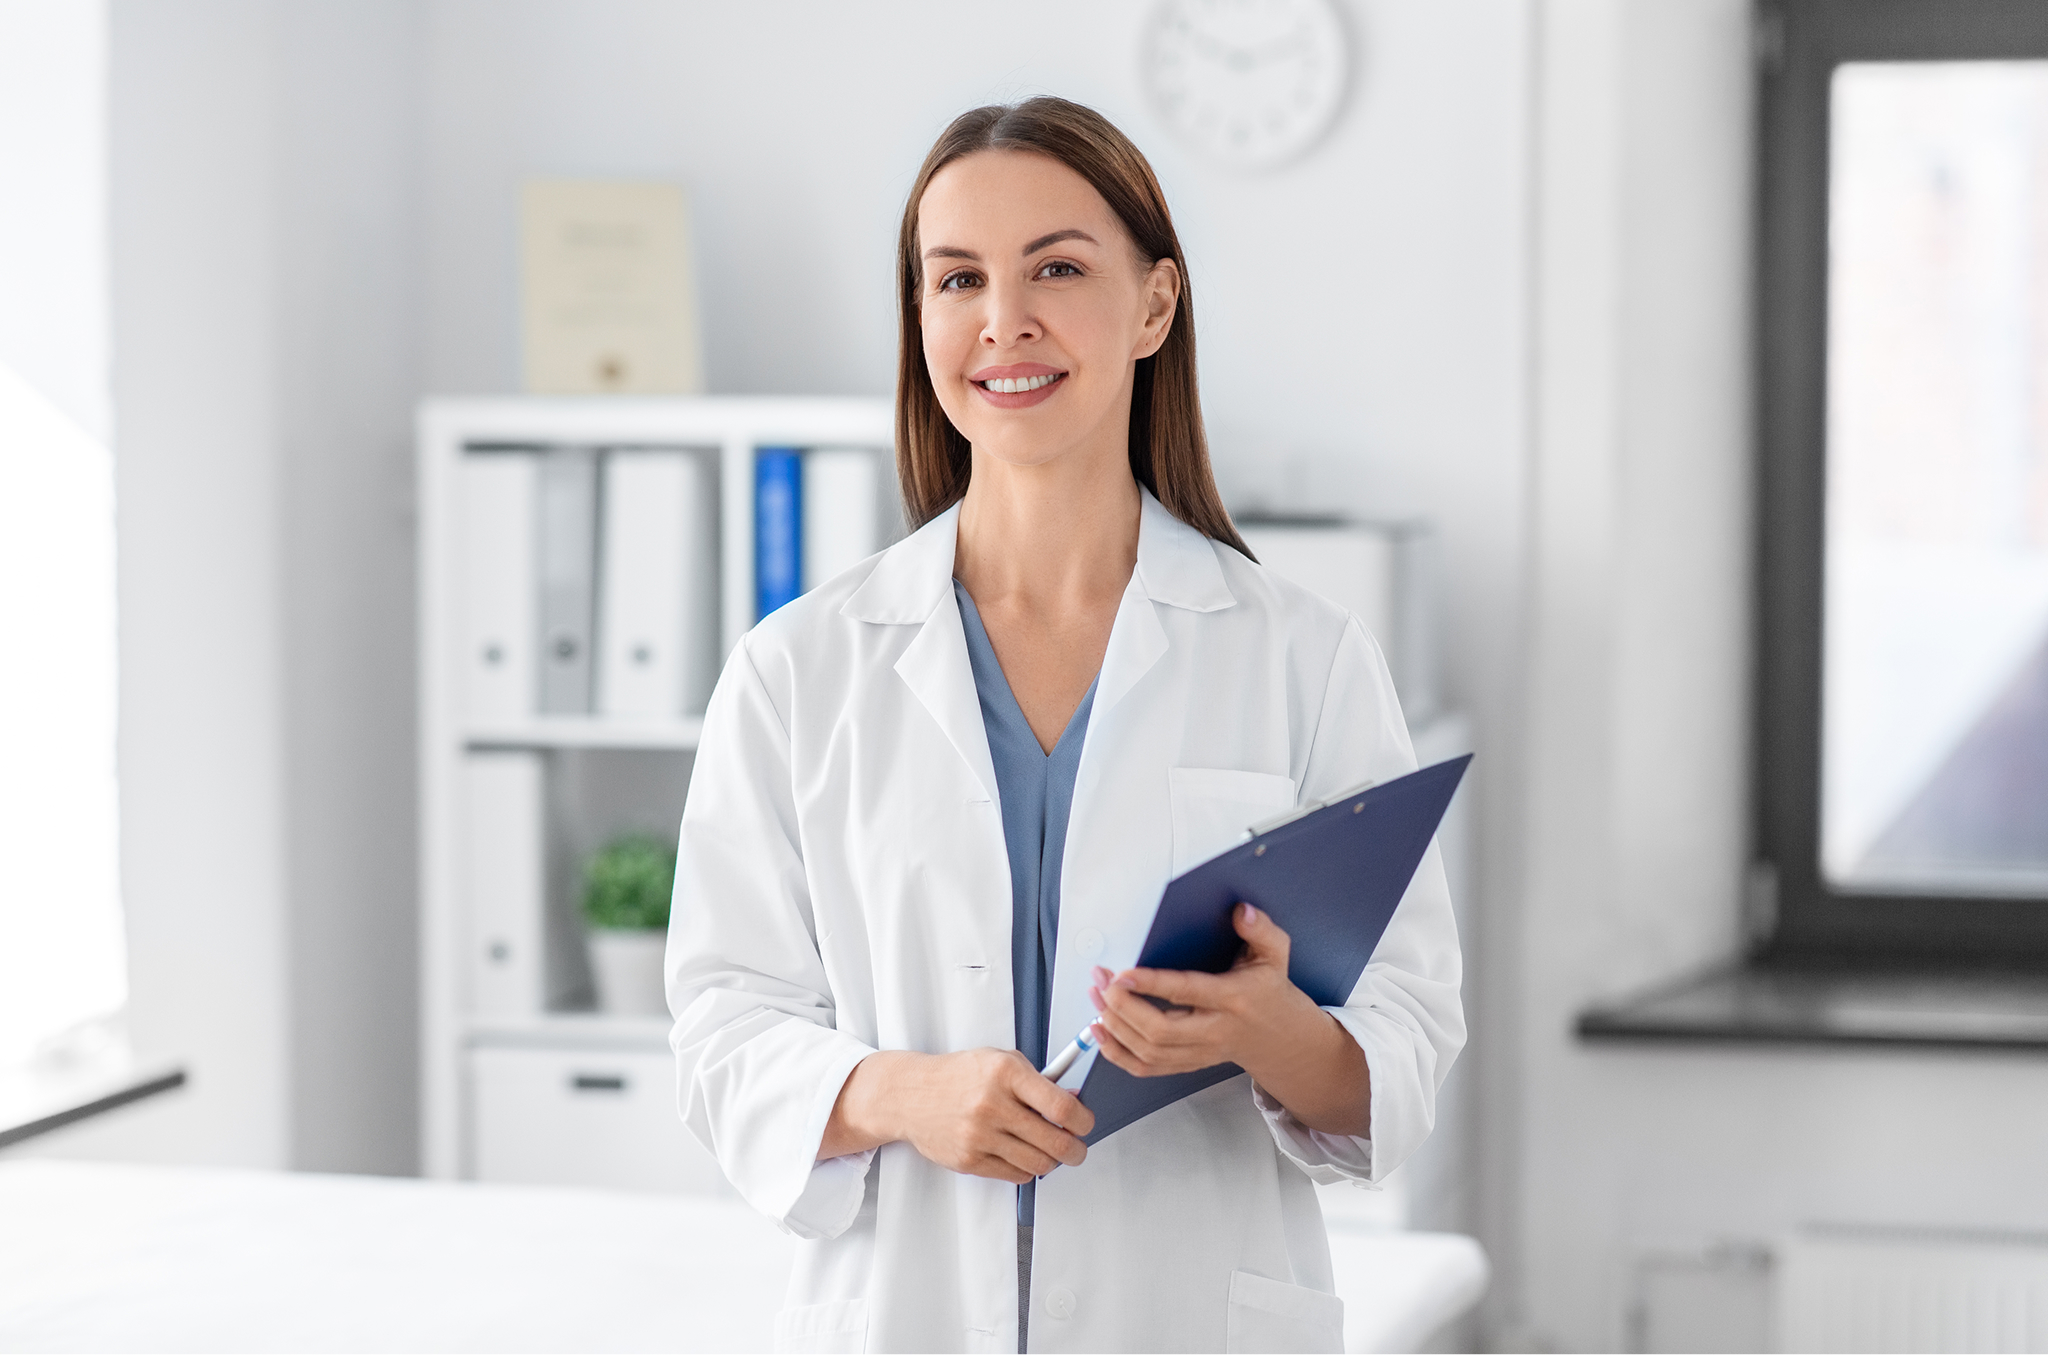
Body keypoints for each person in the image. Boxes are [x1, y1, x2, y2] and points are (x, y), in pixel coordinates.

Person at [667, 97, 1464, 1354]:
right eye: (957, 279)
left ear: (1153, 305)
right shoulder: (798, 670)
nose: (1003, 321)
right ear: (919, 317)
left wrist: (1272, 1031)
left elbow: (1404, 1049)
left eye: (1056, 267)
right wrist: (899, 1091)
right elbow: (720, 1029)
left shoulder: (1301, 657)